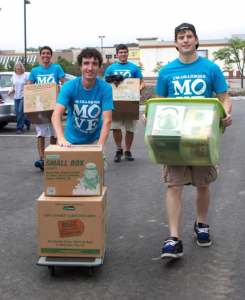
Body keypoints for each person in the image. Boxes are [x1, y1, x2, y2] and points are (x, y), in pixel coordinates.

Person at [142, 23, 232, 259]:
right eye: (181, 37)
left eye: (189, 36)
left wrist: (225, 115)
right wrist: (149, 118)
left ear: (196, 40)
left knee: (203, 184)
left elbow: (224, 99)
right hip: (173, 138)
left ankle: (201, 225)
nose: (185, 40)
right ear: (175, 43)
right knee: (174, 185)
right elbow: (158, 103)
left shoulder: (211, 68)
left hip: (202, 136)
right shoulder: (166, 71)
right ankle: (173, 238)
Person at [51, 47, 113, 163]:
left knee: (95, 177)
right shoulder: (69, 86)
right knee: (71, 177)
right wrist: (61, 138)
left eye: (94, 64)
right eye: (86, 63)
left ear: (99, 67)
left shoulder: (105, 88)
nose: (90, 67)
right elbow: (56, 115)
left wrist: (100, 146)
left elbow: (107, 120)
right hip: (71, 141)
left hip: (95, 139)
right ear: (80, 66)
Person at [104, 44, 145, 162]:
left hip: (130, 101)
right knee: (115, 127)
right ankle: (118, 150)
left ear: (127, 53)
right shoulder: (111, 68)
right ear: (117, 54)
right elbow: (105, 83)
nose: (123, 54)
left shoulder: (134, 68)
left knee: (130, 128)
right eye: (120, 52)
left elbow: (142, 83)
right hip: (115, 102)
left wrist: (139, 88)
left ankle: (127, 151)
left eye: (125, 52)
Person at [28, 46, 66, 171]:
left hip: (54, 106)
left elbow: (64, 82)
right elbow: (29, 86)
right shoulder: (34, 71)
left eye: (48, 53)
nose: (45, 55)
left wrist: (61, 87)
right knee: (40, 133)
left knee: (53, 133)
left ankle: (52, 157)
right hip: (39, 106)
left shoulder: (57, 68)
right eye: (43, 53)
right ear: (40, 55)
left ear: (51, 55)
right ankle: (42, 158)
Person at [8, 62, 31, 134]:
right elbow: (13, 86)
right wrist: (11, 91)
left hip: (23, 95)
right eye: (16, 69)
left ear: (22, 68)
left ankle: (20, 129)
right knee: (17, 113)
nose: (18, 70)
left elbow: (28, 85)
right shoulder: (14, 76)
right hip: (16, 96)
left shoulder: (26, 75)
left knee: (21, 111)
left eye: (19, 69)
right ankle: (28, 121)